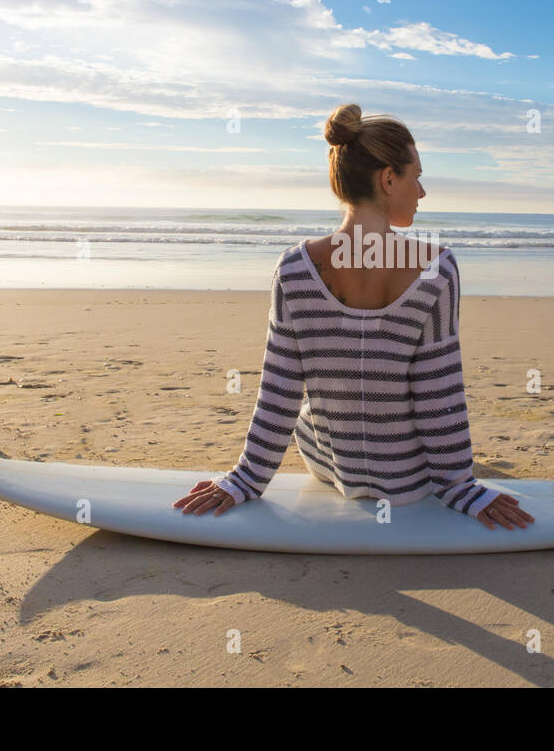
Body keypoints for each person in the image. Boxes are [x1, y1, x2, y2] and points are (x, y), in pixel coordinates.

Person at [173, 103, 534, 532]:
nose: (421, 193)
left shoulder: (294, 268)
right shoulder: (437, 268)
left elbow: (280, 390)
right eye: (416, 177)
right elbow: (439, 397)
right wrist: (460, 487)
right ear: (387, 178)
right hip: (407, 481)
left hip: (328, 466)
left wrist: (247, 479)